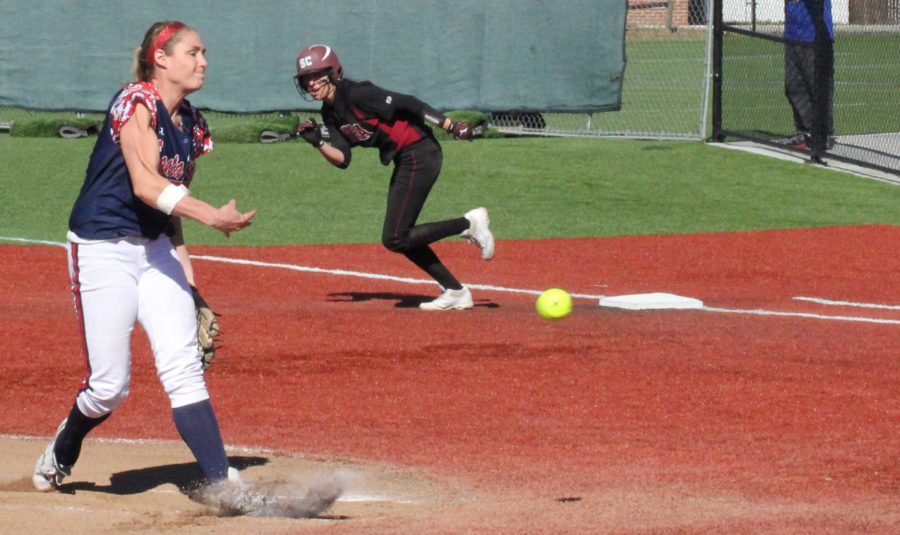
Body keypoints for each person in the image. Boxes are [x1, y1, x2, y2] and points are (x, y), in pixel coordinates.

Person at [33, 21, 257, 492]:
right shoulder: (134, 102)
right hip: (102, 248)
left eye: (204, 53)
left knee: (183, 368)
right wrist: (213, 217)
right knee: (109, 386)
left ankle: (220, 481)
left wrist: (189, 281)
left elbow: (169, 207)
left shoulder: (191, 124)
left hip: (156, 251)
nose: (203, 61)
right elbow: (147, 185)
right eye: (193, 52)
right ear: (161, 58)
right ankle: (62, 448)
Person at [293, 44, 494, 311]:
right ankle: (455, 290)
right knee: (400, 237)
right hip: (406, 159)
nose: (310, 83)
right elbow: (343, 160)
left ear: (333, 72)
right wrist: (318, 143)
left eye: (316, 76)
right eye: (305, 79)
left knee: (395, 236)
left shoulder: (357, 94)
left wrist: (450, 125)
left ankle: (468, 224)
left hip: (420, 152)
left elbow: (408, 103)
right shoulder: (329, 113)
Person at [784, 0, 834, 151]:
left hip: (815, 37)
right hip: (792, 34)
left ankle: (824, 134)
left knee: (818, 87)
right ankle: (805, 132)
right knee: (792, 86)